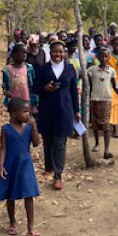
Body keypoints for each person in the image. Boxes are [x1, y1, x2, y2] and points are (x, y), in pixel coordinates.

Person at [0, 98, 41, 236]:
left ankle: (31, 227)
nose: (27, 115)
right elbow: (3, 148)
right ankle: (12, 223)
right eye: (24, 112)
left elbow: (36, 143)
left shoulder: (29, 128)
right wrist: (1, 165)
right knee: (10, 195)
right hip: (10, 165)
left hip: (25, 165)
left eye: (28, 112)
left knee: (29, 195)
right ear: (13, 114)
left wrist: (35, 126)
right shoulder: (6, 129)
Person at [33, 40, 81, 190]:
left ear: (65, 53)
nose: (58, 54)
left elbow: (74, 91)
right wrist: (45, 88)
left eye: (61, 52)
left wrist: (76, 110)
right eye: (55, 51)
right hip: (47, 109)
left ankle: (58, 175)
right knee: (48, 140)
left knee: (60, 143)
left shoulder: (70, 69)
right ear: (50, 53)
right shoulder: (43, 69)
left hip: (64, 110)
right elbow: (35, 88)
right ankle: (48, 167)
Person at [87, 47, 118, 160]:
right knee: (95, 124)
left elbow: (114, 85)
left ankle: (106, 149)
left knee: (106, 125)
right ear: (98, 57)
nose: (103, 58)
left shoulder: (111, 71)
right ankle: (97, 143)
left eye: (106, 56)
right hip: (94, 98)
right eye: (101, 55)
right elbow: (86, 80)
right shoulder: (92, 70)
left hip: (106, 99)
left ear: (108, 57)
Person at [2, 43, 37, 115]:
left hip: (27, 100)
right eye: (22, 52)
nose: (24, 55)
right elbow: (4, 85)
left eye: (26, 53)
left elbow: (33, 84)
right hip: (14, 102)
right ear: (14, 54)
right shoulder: (8, 69)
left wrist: (35, 100)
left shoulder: (29, 68)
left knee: (27, 119)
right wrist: (6, 92)